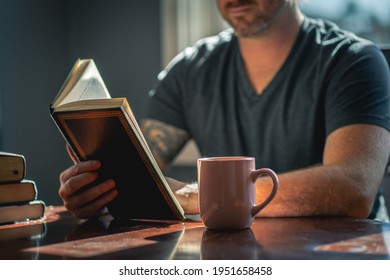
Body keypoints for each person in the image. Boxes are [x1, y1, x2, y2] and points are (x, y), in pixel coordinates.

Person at [58, 0, 390, 220]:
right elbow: (143, 173)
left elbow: (354, 189)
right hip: (234, 253)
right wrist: (99, 193)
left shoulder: (354, 61)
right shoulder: (189, 71)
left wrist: (196, 196)